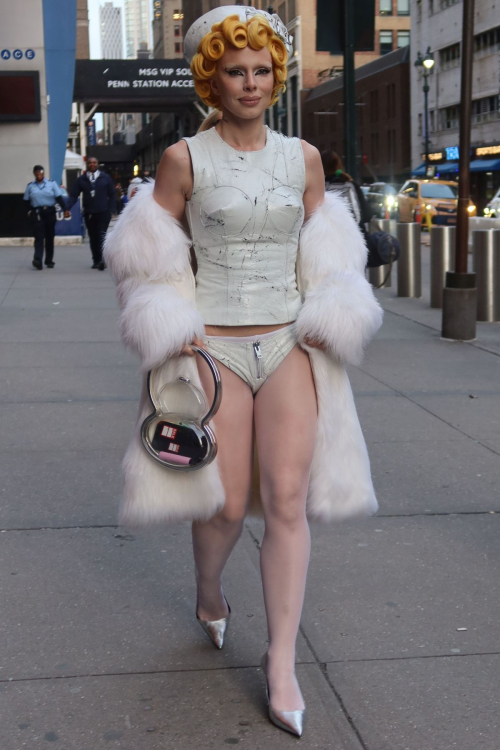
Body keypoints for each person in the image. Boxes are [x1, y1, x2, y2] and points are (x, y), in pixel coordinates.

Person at [104, 6, 382, 738]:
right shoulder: (183, 161)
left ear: (275, 76)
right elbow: (147, 259)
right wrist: (176, 334)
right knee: (226, 506)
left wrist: (334, 310)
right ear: (212, 78)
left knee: (287, 499)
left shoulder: (305, 159)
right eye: (236, 71)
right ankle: (208, 590)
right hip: (214, 347)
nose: (250, 83)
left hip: (289, 342)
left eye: (262, 70)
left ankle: (281, 661)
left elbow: (331, 252)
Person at [66, 157, 116, 270]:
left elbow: (112, 194)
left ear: (97, 164)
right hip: (89, 213)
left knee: (101, 236)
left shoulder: (105, 178)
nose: (92, 164)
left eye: (94, 163)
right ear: (87, 165)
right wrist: (67, 208)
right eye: (90, 163)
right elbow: (74, 195)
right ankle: (96, 260)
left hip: (103, 212)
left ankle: (103, 259)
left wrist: (112, 208)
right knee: (93, 237)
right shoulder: (81, 180)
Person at [23, 165, 67, 270]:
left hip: (50, 212)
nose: (39, 174)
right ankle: (37, 260)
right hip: (37, 213)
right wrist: (29, 211)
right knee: (38, 237)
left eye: (40, 172)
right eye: (37, 172)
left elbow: (59, 198)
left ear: (43, 173)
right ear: (34, 173)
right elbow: (25, 201)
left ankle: (49, 260)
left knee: (49, 236)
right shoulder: (30, 186)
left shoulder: (51, 184)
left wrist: (65, 209)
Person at [321, 150, 373, 236]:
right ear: (338, 165)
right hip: (354, 239)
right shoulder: (351, 185)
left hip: (328, 240)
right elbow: (367, 215)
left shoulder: (319, 188)